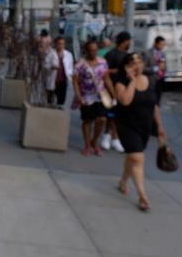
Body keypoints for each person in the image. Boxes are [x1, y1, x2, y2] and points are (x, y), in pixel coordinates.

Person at [113, 52, 168, 212]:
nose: (137, 65)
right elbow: (125, 101)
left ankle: (123, 181)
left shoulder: (150, 81)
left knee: (133, 157)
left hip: (144, 125)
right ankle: (143, 197)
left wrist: (160, 127)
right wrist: (131, 81)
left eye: (139, 62)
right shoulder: (121, 82)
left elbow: (154, 105)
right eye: (133, 62)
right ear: (127, 66)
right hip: (126, 125)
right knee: (137, 156)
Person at [72, 39, 113, 156]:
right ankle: (87, 145)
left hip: (100, 95)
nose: (93, 53)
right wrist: (78, 96)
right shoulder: (80, 64)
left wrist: (113, 94)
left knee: (102, 119)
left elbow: (107, 79)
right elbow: (75, 81)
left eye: (95, 50)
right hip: (86, 96)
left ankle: (95, 142)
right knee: (87, 120)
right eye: (91, 50)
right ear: (86, 51)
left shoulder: (103, 62)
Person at [102, 31, 133, 152]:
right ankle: (108, 136)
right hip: (111, 88)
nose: (129, 43)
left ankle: (114, 137)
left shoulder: (127, 55)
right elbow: (104, 71)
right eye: (128, 41)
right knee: (111, 113)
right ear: (124, 41)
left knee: (119, 115)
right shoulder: (111, 54)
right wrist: (119, 71)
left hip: (123, 89)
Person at [44, 36, 74, 106]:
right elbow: (45, 65)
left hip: (63, 80)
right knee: (50, 98)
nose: (61, 46)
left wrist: (70, 74)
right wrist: (52, 67)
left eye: (63, 44)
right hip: (52, 78)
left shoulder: (68, 54)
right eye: (59, 44)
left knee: (61, 99)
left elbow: (70, 67)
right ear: (55, 44)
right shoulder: (50, 53)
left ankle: (59, 110)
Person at [142, 36, 167, 104]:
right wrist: (156, 68)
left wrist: (164, 69)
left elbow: (164, 65)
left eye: (164, 45)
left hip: (160, 81)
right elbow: (143, 69)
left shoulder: (163, 53)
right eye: (161, 44)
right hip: (151, 81)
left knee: (158, 101)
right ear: (155, 43)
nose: (162, 46)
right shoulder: (147, 53)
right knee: (151, 101)